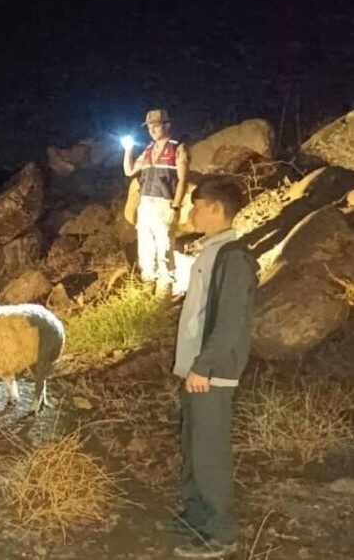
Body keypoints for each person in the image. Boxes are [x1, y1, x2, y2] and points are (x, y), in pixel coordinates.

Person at [156, 176, 258, 559]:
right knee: (192, 445)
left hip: (211, 373)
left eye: (196, 206)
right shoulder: (212, 251)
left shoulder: (234, 258)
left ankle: (220, 533)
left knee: (209, 451)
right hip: (197, 370)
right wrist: (190, 366)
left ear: (216, 208)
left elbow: (230, 322)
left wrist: (204, 365)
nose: (190, 213)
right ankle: (195, 517)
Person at [123, 109, 190, 295]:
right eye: (149, 126)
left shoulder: (178, 148)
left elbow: (183, 180)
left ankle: (165, 290)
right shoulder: (147, 151)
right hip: (145, 204)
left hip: (164, 203)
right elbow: (129, 171)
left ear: (167, 125)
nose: (152, 129)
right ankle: (148, 285)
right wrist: (128, 149)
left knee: (165, 247)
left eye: (156, 125)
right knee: (145, 248)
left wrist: (175, 207)